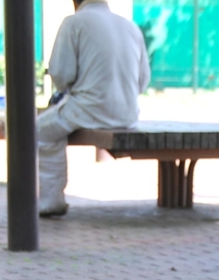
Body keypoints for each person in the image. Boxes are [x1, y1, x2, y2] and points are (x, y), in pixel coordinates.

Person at [37, 0, 151, 217]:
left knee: (42, 131)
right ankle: (51, 200)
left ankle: (51, 200)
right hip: (128, 114)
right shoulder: (130, 26)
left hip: (89, 110)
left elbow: (62, 74)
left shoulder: (73, 22)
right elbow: (143, 81)